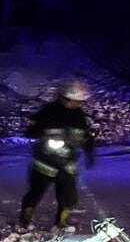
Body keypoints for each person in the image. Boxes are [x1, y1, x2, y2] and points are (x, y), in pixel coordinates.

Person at [19, 80, 96, 230]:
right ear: (63, 97)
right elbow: (32, 129)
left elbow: (85, 136)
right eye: (73, 101)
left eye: (78, 102)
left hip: (67, 164)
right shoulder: (49, 111)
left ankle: (61, 222)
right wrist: (42, 132)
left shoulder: (80, 117)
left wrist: (89, 151)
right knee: (36, 191)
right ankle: (26, 217)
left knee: (68, 196)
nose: (76, 104)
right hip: (45, 162)